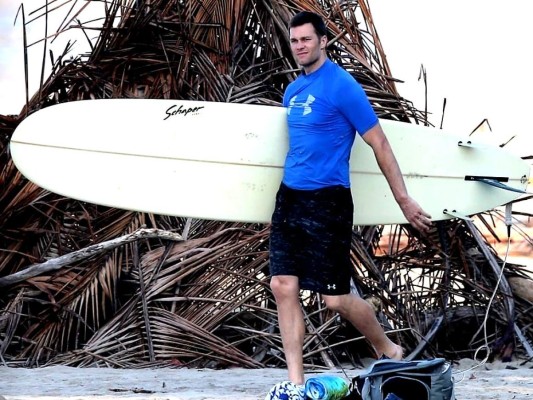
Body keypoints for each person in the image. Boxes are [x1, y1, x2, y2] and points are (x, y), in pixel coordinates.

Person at [269, 10, 433, 390]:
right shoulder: (292, 91)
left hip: (329, 201)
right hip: (289, 199)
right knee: (282, 285)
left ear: (323, 41)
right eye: (294, 41)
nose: (299, 47)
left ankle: (387, 348)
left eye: (306, 39)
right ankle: (296, 385)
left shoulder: (342, 86)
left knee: (336, 300)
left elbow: (379, 143)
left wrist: (404, 200)